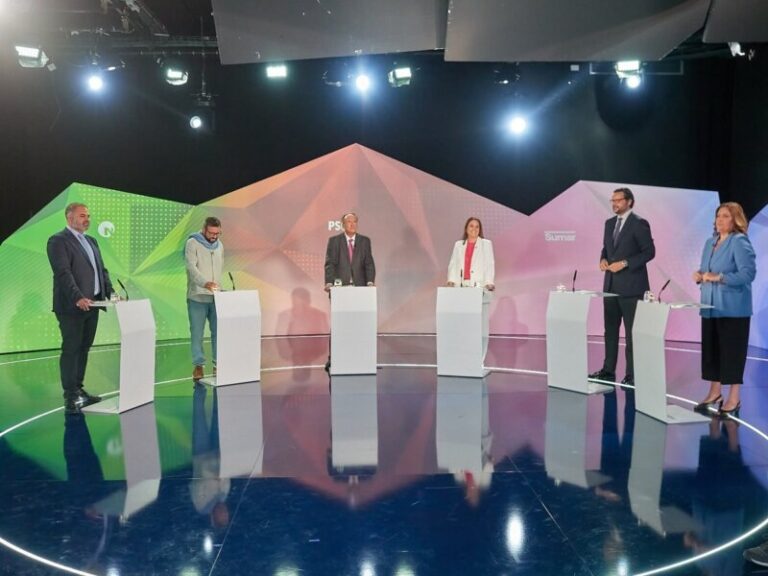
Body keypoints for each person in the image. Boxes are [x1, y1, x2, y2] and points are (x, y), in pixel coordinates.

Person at [47, 202, 113, 414]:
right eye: (83, 215)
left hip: (93, 304)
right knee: (71, 349)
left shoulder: (91, 240)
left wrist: (110, 293)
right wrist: (77, 297)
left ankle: (79, 390)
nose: (87, 219)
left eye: (88, 216)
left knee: (84, 348)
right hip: (72, 307)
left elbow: (101, 270)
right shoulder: (58, 241)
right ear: (69, 218)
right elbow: (63, 272)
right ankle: (70, 396)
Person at [692, 202, 756, 418]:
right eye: (718, 215)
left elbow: (748, 274)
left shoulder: (739, 242)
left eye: (726, 216)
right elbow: (707, 269)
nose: (720, 220)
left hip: (733, 309)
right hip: (710, 307)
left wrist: (720, 278)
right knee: (712, 352)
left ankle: (734, 398)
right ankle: (714, 392)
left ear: (735, 219)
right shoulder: (711, 242)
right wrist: (700, 274)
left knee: (732, 354)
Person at [589, 187, 655, 386]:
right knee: (610, 331)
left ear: (629, 202)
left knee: (631, 333)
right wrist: (602, 259)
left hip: (632, 288)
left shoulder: (639, 224)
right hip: (610, 286)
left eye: (618, 200)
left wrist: (625, 263)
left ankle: (632, 374)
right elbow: (606, 248)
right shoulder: (609, 224)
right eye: (612, 200)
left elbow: (649, 252)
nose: (614, 204)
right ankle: (608, 370)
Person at [446, 217, 495, 359]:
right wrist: (451, 281)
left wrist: (488, 282)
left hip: (479, 289)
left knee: (481, 327)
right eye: (471, 226)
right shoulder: (459, 245)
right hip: (462, 289)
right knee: (464, 324)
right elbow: (453, 264)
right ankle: (464, 356)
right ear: (466, 229)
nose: (474, 229)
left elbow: (489, 264)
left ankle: (480, 358)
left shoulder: (486, 244)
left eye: (477, 227)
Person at [185, 216, 223, 380]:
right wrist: (204, 282)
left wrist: (217, 287)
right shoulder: (192, 243)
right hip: (197, 296)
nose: (214, 236)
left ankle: (218, 365)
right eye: (211, 233)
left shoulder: (220, 245)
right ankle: (198, 366)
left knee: (218, 333)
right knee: (197, 333)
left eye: (217, 233)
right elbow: (190, 267)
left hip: (216, 298)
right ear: (204, 229)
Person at [324, 212, 375, 290]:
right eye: (349, 222)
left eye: (354, 222)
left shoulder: (364, 241)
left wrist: (370, 281)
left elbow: (368, 263)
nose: (352, 224)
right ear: (343, 225)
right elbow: (330, 264)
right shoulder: (334, 241)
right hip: (339, 286)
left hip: (360, 285)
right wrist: (329, 282)